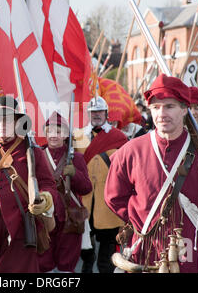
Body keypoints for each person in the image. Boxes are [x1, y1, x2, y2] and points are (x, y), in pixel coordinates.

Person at [104, 74, 198, 273]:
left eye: (170, 106)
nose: (162, 114)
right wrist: (144, 216)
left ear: (184, 109)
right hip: (145, 247)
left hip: (193, 250)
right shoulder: (130, 151)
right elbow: (114, 197)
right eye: (156, 107)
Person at [0, 95, 58, 272]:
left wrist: (45, 198)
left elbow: (49, 184)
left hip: (21, 228)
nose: (2, 124)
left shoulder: (32, 151)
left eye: (8, 120)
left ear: (17, 123)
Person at [74, 96, 128, 273]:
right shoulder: (78, 136)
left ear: (106, 113)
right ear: (88, 114)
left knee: (107, 254)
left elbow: (127, 168)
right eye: (93, 112)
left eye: (99, 111)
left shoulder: (119, 137)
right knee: (85, 251)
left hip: (108, 202)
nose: (96, 115)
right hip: (84, 201)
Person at [38, 111, 92, 272]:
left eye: (58, 131)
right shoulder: (37, 155)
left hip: (69, 218)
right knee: (43, 264)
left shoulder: (76, 158)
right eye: (50, 131)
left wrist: (75, 174)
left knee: (66, 265)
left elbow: (86, 188)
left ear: (65, 135)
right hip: (44, 217)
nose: (54, 135)